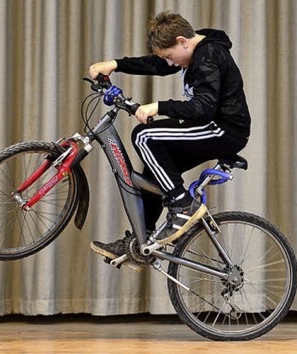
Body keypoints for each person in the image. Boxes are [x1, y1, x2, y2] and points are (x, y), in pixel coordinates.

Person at [88, 11, 251, 268]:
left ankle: (183, 205)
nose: (171, 63)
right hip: (209, 125)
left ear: (182, 41)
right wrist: (116, 64)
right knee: (154, 168)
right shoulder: (193, 49)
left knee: (143, 135)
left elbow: (203, 107)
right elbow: (158, 65)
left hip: (223, 129)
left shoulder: (208, 56)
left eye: (170, 55)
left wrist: (159, 107)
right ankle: (144, 241)